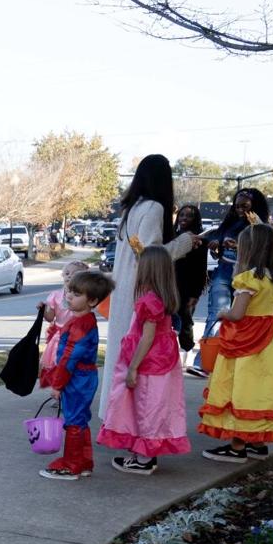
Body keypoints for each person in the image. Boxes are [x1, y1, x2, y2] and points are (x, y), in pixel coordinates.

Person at [99, 155, 202, 417]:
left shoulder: (132, 207)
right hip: (141, 293)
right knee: (139, 358)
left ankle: (115, 415)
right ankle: (131, 421)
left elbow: (139, 250)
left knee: (120, 356)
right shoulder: (154, 208)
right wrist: (185, 243)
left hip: (124, 290)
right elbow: (148, 255)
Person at [98, 247, 191, 475]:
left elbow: (147, 337)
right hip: (161, 362)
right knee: (154, 406)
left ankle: (145, 458)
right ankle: (144, 452)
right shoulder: (162, 297)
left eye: (140, 264)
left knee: (146, 406)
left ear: (148, 270)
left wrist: (133, 368)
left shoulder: (149, 300)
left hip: (149, 364)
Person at [200, 224, 273, 462]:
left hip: (244, 343)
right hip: (268, 341)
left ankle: (237, 447)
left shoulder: (247, 279)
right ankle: (256, 441)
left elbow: (238, 314)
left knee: (240, 388)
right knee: (259, 390)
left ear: (248, 250)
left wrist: (222, 314)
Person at [39, 270, 114, 481]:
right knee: (79, 420)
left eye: (77, 294)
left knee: (73, 421)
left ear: (93, 301)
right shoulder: (82, 320)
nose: (69, 296)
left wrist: (57, 384)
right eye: (70, 291)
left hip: (77, 378)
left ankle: (71, 465)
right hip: (80, 377)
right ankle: (83, 462)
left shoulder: (82, 324)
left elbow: (69, 358)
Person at [188, 188, 270, 377]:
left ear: (255, 206)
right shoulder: (230, 223)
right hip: (224, 271)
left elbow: (262, 248)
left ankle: (235, 363)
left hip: (246, 277)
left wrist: (240, 245)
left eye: (245, 206)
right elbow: (218, 238)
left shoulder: (259, 225)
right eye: (237, 206)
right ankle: (205, 362)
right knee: (216, 315)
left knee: (242, 319)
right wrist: (216, 245)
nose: (240, 209)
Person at [40, 260, 89, 374]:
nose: (70, 276)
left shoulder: (85, 296)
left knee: (75, 365)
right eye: (67, 273)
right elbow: (50, 318)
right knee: (59, 365)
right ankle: (60, 387)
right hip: (60, 336)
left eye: (75, 274)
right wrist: (43, 309)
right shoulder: (56, 295)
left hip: (78, 334)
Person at [172, 204, 207, 352]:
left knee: (185, 320)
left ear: (196, 219)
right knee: (171, 320)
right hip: (171, 285)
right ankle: (171, 352)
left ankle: (187, 350)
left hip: (188, 287)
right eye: (182, 215)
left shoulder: (199, 239)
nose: (184, 218)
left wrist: (196, 293)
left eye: (189, 215)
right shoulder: (172, 236)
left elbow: (201, 268)